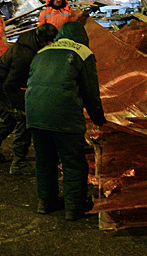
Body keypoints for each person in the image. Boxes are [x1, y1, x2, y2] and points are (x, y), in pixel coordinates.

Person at [25, 21, 105, 221]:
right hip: (64, 114)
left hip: (35, 113)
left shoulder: (43, 51)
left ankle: (46, 202)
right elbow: (90, 91)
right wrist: (99, 119)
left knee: (44, 160)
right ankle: (74, 207)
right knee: (73, 161)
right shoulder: (83, 52)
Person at [0, 24, 58, 172]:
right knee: (24, 118)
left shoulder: (30, 41)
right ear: (43, 41)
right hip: (4, 86)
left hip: (0, 83)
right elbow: (10, 85)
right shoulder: (25, 54)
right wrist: (19, 106)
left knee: (8, 120)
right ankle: (19, 162)